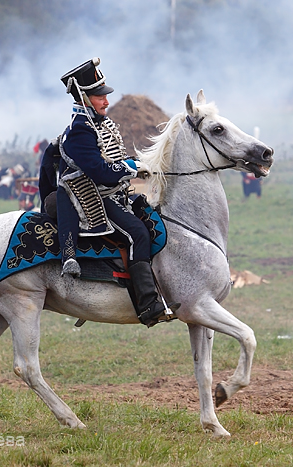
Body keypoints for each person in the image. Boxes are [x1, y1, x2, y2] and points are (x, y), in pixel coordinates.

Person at [54, 57, 178, 327]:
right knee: (137, 234)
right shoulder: (80, 131)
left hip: (112, 191)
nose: (106, 101)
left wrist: (135, 164)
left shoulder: (100, 124)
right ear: (85, 99)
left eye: (104, 96)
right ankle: (147, 304)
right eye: (100, 97)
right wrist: (131, 168)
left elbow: (115, 159)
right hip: (89, 196)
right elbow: (100, 171)